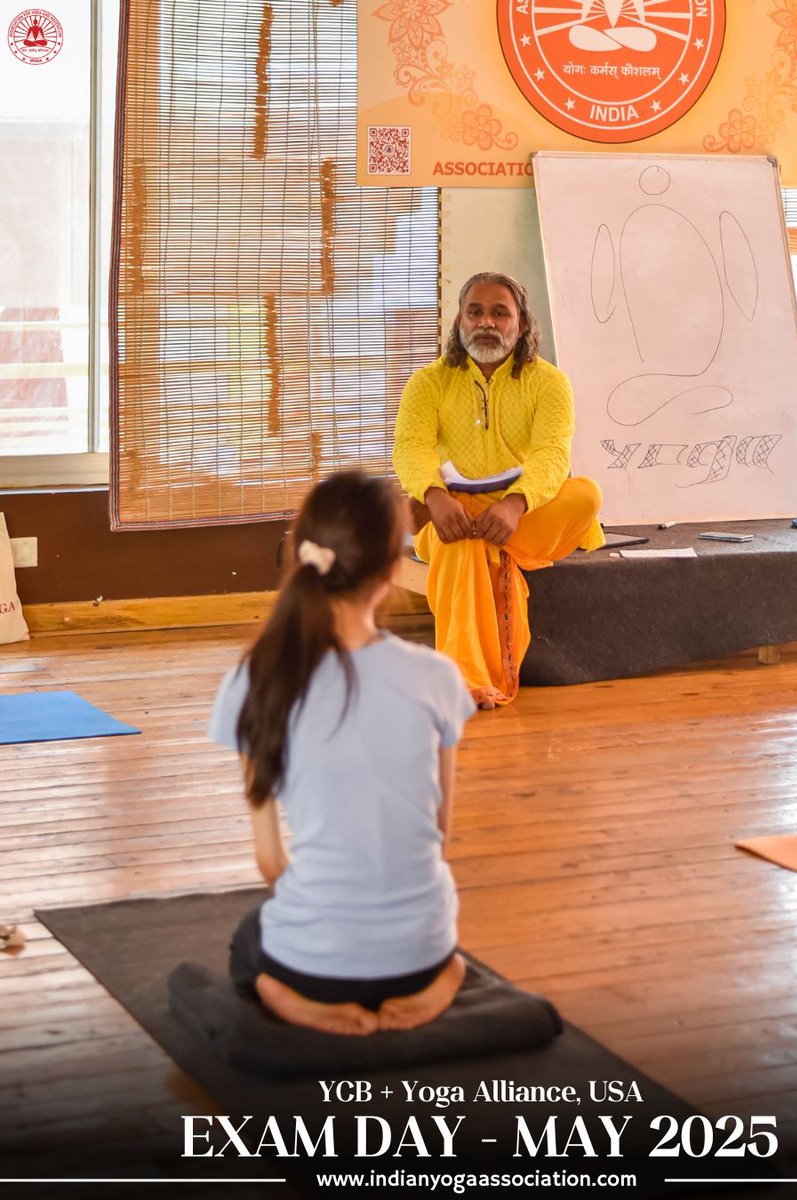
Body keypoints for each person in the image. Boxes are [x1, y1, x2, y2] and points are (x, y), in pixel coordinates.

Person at [208, 470, 475, 1036]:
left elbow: (270, 864)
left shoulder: (258, 680)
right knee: (434, 949)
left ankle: (288, 997)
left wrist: (335, 920)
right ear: (393, 569)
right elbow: (441, 836)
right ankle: (446, 976)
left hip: (315, 966)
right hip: (422, 951)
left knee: (246, 943)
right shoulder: (437, 677)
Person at [393, 271, 604, 709]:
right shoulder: (427, 382)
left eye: (499, 313)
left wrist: (512, 505)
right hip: (454, 512)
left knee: (586, 495)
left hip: (525, 515)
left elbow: (551, 456)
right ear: (459, 322)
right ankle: (464, 681)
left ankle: (492, 538)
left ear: (521, 324)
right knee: (462, 544)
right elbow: (411, 450)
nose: (485, 322)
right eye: (475, 312)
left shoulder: (549, 382)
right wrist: (435, 497)